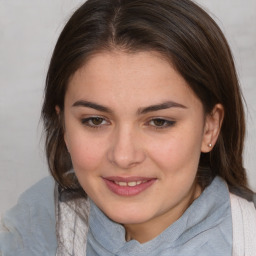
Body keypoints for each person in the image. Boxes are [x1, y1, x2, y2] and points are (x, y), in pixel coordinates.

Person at [1, 0, 255, 255]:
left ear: (210, 127)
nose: (123, 156)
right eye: (95, 120)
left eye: (159, 122)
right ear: (63, 124)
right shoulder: (35, 225)